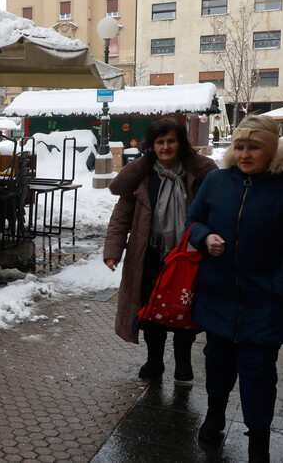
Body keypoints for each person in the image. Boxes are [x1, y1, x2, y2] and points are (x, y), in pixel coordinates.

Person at [186, 115, 283, 462]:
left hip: (266, 300)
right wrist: (205, 237)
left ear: (271, 150)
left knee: (258, 372)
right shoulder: (216, 181)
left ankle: (258, 438)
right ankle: (215, 414)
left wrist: (282, 283)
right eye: (240, 146)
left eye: (254, 147)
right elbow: (193, 221)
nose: (245, 154)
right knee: (217, 362)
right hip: (218, 294)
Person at [103, 118, 217, 381]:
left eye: (171, 141)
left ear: (181, 144)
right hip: (150, 254)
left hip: (188, 255)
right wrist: (113, 250)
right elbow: (121, 217)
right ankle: (154, 362)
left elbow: (216, 211)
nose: (166, 147)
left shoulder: (199, 176)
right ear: (152, 146)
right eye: (160, 142)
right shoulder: (142, 177)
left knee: (185, 307)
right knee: (152, 311)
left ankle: (183, 360)